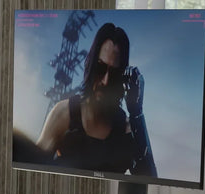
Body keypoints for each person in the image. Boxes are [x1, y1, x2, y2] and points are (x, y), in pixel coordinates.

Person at [31, 23, 156, 177]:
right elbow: (31, 170)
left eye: (114, 73)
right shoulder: (63, 114)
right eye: (100, 67)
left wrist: (137, 113)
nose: (105, 81)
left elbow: (150, 182)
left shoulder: (127, 129)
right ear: (90, 64)